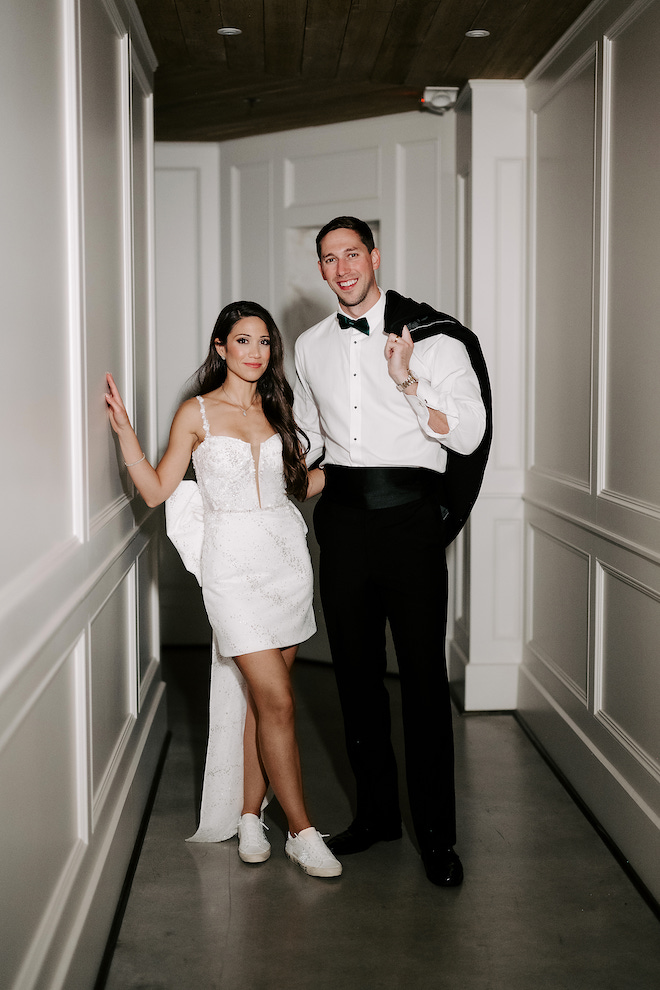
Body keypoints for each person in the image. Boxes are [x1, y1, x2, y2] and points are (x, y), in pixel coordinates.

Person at [106, 300, 342, 879]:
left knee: (263, 705)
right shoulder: (197, 413)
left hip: (287, 563)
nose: (256, 352)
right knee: (280, 701)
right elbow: (160, 491)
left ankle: (246, 817)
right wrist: (125, 436)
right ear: (221, 347)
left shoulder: (278, 406)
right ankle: (302, 833)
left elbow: (293, 489)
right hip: (231, 572)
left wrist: (349, 461)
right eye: (243, 340)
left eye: (264, 342)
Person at [293, 218, 492, 887]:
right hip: (342, 525)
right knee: (353, 677)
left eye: (353, 253)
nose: (343, 267)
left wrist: (408, 381)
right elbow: (313, 439)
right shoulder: (310, 344)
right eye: (330, 258)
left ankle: (437, 836)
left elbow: (466, 435)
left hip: (409, 522)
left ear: (375, 257)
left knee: (424, 684)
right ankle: (377, 815)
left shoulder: (434, 340)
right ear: (321, 270)